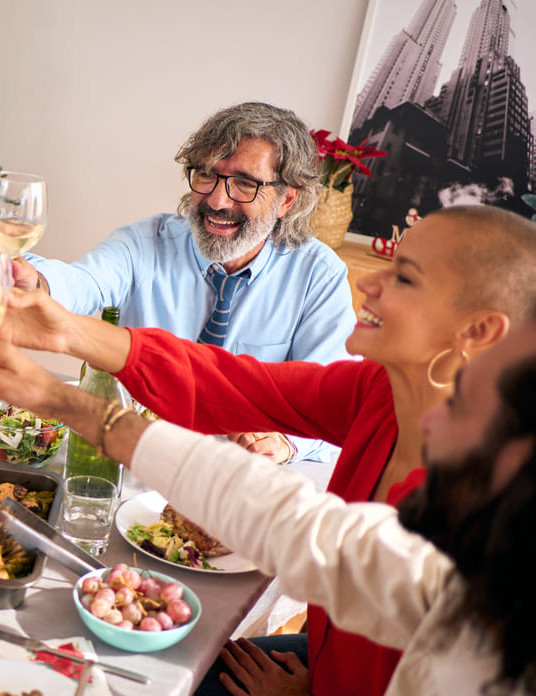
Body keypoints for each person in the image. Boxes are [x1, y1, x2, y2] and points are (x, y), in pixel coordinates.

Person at [0, 203, 536, 696]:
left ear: (479, 332)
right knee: (158, 679)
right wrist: (67, 332)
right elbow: (237, 383)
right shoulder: (383, 392)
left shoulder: (485, 514)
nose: (368, 280)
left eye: (404, 276)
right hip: (330, 678)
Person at [18, 102, 356, 463]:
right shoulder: (145, 242)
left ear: (287, 199)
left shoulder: (318, 276)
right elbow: (81, 283)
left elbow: (332, 404)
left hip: (238, 478)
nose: (217, 199)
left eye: (244, 183)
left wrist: (286, 443)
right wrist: (35, 281)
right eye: (207, 174)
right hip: (138, 459)